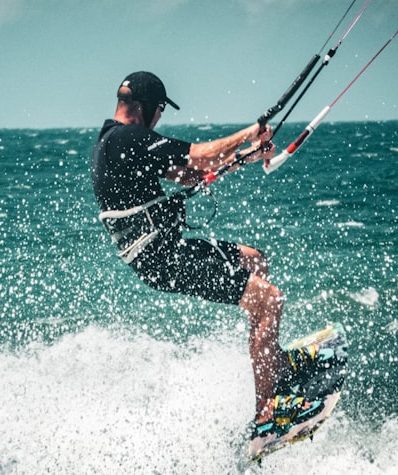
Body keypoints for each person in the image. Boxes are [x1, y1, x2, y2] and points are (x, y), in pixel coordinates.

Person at [90, 70, 293, 445]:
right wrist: (251, 132)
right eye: (160, 110)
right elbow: (198, 155)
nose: (160, 119)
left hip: (163, 252)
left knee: (255, 260)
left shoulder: (113, 142)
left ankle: (272, 364)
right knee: (271, 299)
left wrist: (247, 157)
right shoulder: (129, 138)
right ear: (146, 107)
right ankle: (267, 414)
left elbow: (188, 173)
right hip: (163, 259)